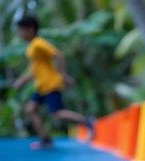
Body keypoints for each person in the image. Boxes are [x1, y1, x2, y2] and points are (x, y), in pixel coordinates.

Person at [13, 15, 94, 150]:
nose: (20, 34)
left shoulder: (38, 43)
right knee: (30, 109)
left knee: (57, 114)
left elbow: (58, 55)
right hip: (41, 86)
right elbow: (35, 71)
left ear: (31, 29)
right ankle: (46, 139)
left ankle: (87, 121)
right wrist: (23, 80)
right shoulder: (32, 47)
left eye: (22, 30)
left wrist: (64, 74)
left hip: (50, 84)